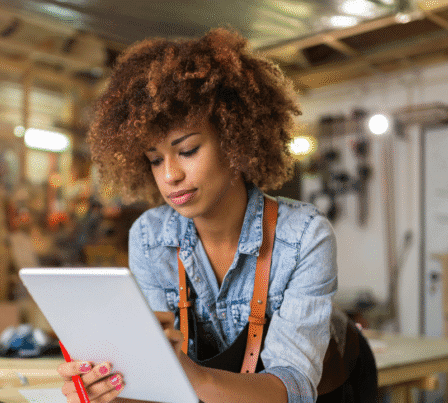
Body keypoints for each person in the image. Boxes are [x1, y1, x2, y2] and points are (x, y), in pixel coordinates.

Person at [57, 28, 377, 403]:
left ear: (234, 141)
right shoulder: (150, 236)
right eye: (155, 159)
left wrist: (189, 376)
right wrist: (109, 388)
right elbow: (159, 385)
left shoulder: (304, 236)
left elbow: (292, 388)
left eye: (188, 150)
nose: (170, 175)